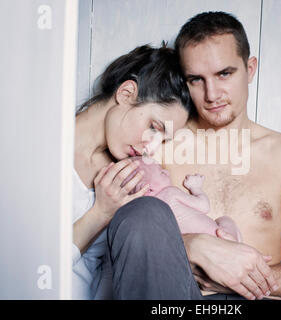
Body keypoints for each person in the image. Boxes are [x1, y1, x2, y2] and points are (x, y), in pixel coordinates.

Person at [161, 11, 281, 300]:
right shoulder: (163, 148)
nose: (212, 94)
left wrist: (241, 280)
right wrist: (191, 245)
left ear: (250, 69)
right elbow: (130, 243)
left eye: (224, 73)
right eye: (196, 79)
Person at [72, 44, 196, 299]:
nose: (150, 148)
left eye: (162, 140)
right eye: (154, 127)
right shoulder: (40, 150)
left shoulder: (126, 176)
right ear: (127, 93)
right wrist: (100, 213)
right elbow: (26, 266)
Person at [124, 155, 242, 241]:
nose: (167, 172)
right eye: (162, 173)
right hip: (220, 238)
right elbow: (204, 206)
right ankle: (238, 244)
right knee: (225, 220)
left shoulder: (144, 215)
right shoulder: (170, 193)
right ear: (148, 189)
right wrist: (196, 188)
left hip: (192, 257)